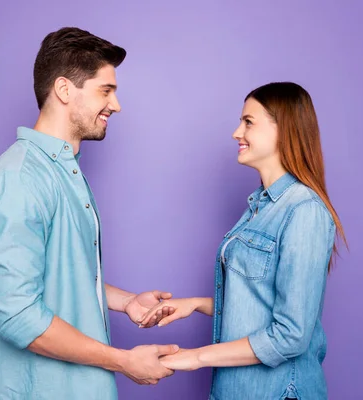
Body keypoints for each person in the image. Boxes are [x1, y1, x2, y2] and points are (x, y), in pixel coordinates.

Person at [0, 27, 177, 400]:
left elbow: (61, 274)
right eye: (106, 90)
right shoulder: (18, 180)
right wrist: (123, 360)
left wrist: (125, 301)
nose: (115, 105)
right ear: (65, 90)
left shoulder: (64, 172)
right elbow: (18, 317)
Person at [139, 82, 347, 400]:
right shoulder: (258, 207)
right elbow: (259, 303)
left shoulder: (304, 211)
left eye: (248, 122)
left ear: (284, 130)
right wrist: (195, 305)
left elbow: (291, 335)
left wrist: (196, 357)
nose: (237, 133)